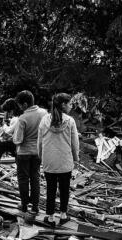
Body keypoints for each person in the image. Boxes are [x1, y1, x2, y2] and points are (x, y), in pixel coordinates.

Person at [37, 92, 79, 224]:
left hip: (49, 161)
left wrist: (41, 157)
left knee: (50, 189)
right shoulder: (70, 121)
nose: (71, 106)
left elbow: (39, 142)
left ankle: (50, 217)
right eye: (70, 103)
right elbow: (74, 143)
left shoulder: (44, 120)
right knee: (64, 189)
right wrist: (76, 158)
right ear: (63, 105)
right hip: (65, 161)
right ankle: (63, 215)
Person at [11, 90, 47, 221]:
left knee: (23, 179)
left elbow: (18, 140)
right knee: (35, 178)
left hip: (24, 153)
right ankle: (36, 206)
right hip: (38, 151)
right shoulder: (44, 113)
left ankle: (25, 205)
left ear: (25, 104)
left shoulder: (23, 118)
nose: (20, 108)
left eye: (20, 105)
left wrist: (13, 137)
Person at [0, 99, 21, 172]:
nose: (8, 114)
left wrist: (4, 124)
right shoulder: (17, 117)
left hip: (19, 144)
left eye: (8, 112)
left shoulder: (16, 118)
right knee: (1, 145)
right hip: (19, 142)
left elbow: (9, 131)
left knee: (1, 145)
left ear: (11, 110)